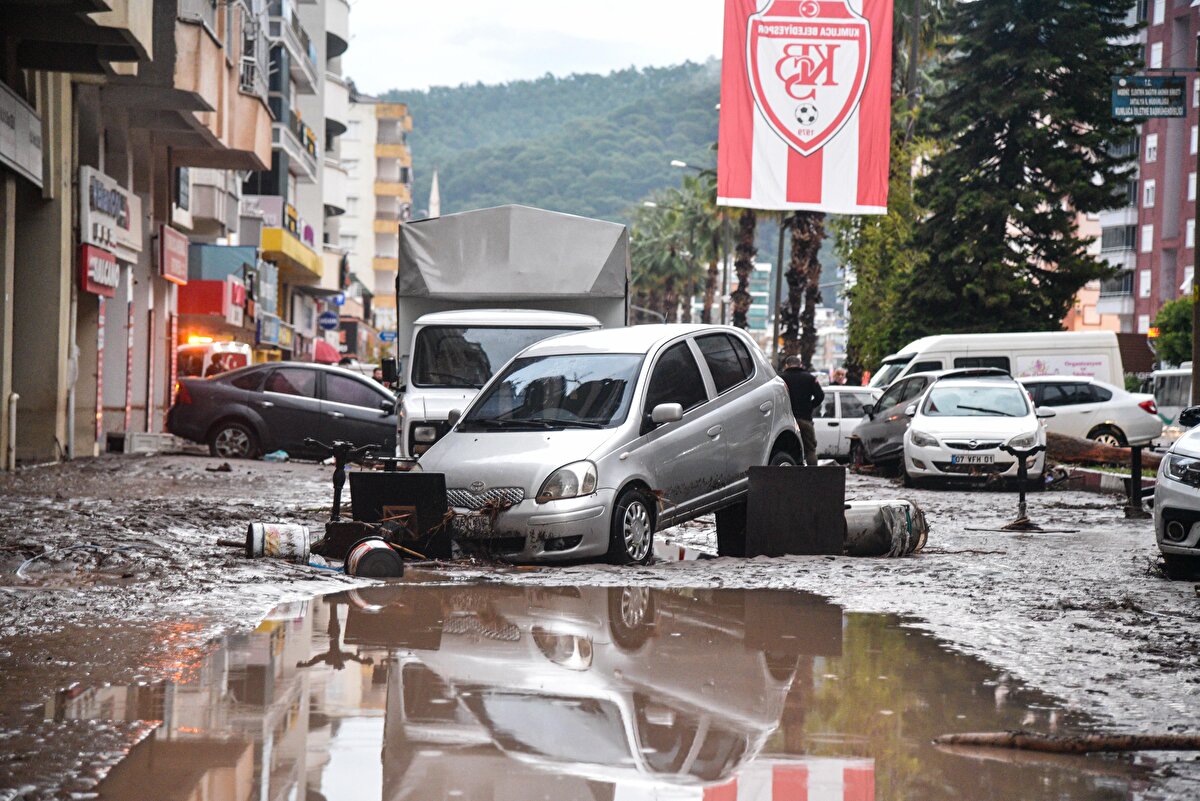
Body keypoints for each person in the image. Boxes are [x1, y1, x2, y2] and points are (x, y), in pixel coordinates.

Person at [779, 355, 824, 466]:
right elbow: (820, 396)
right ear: (800, 365)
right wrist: (810, 406)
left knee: (786, 450)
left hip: (786, 420)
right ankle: (812, 477)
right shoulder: (810, 378)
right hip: (805, 419)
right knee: (810, 449)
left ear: (786, 365)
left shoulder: (781, 379)